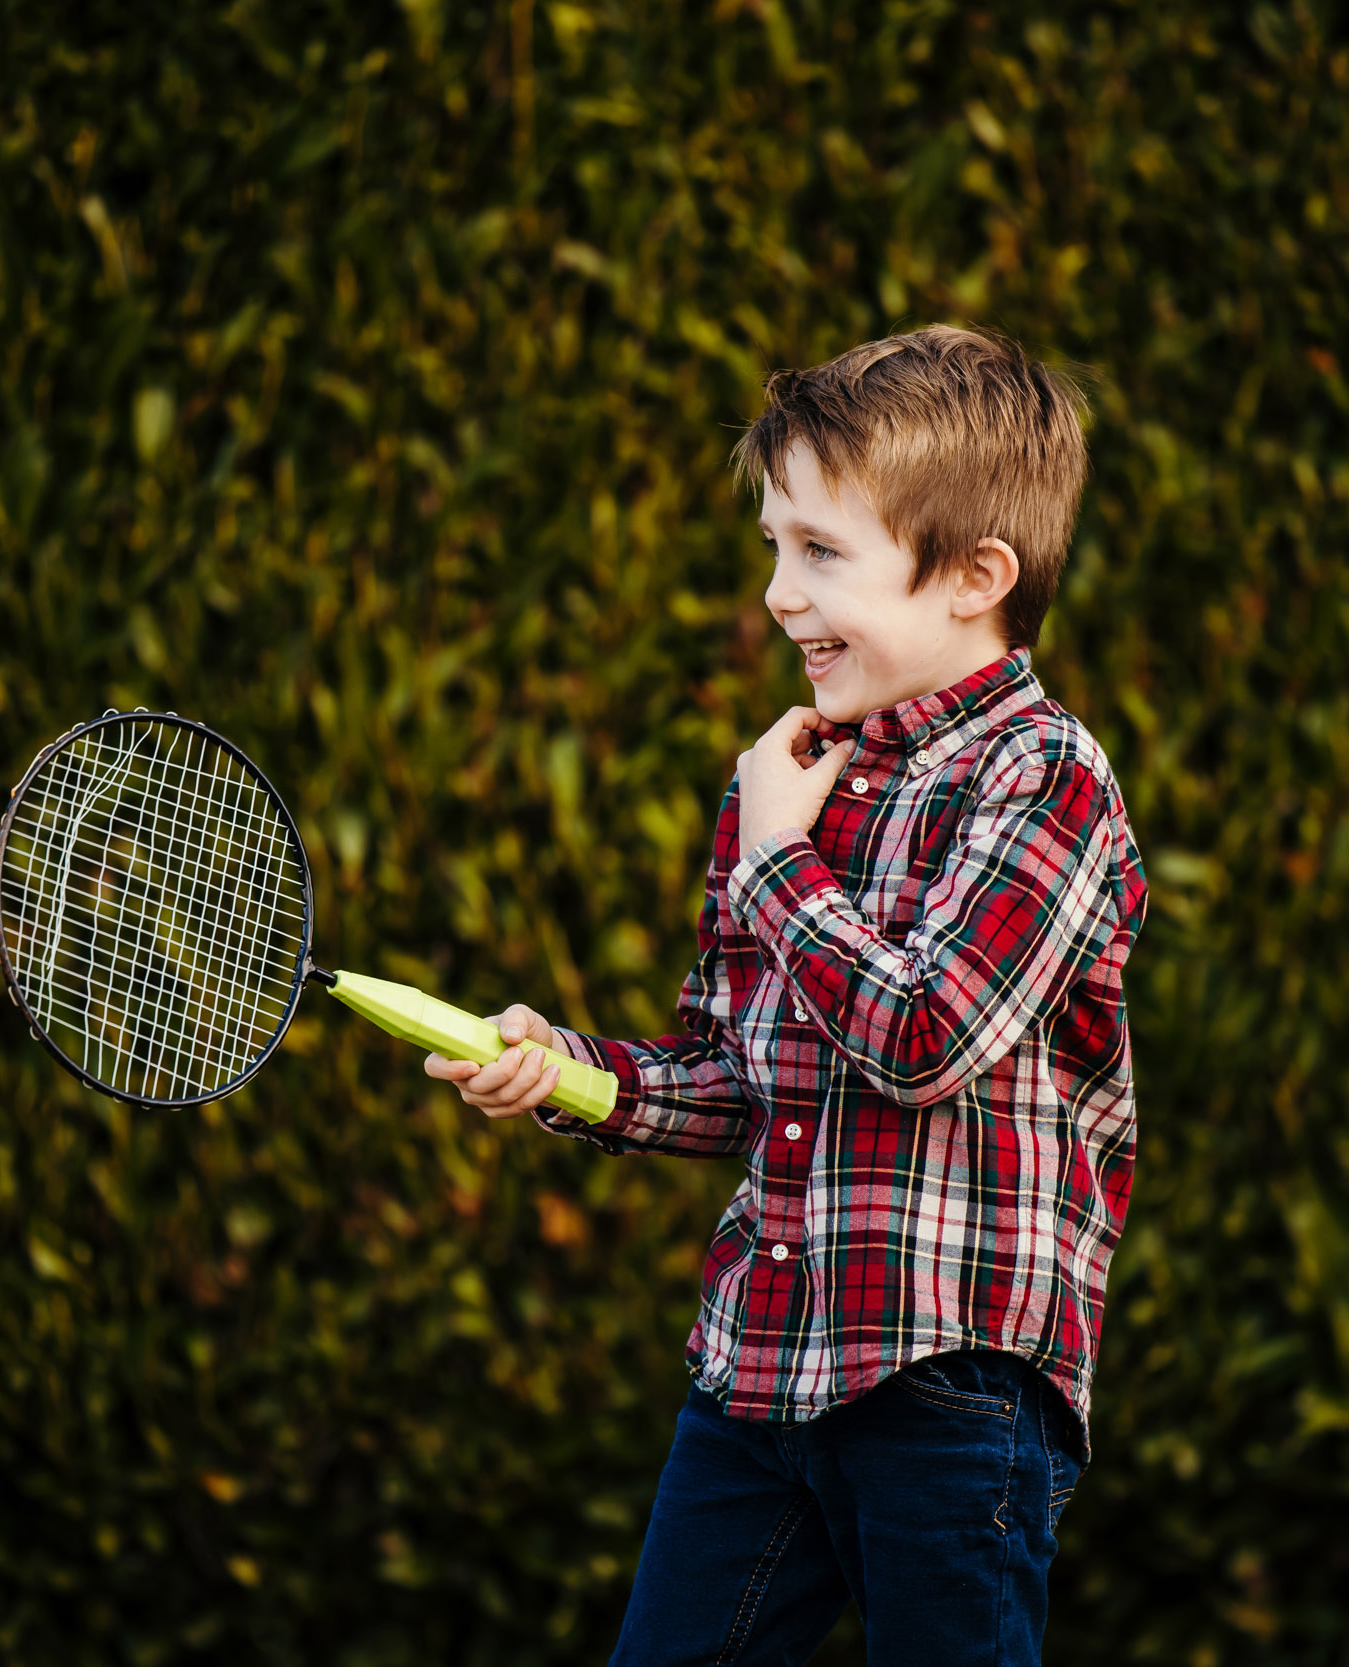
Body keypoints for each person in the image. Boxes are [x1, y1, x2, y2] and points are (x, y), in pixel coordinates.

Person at [425, 325, 1149, 1666]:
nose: (774, 591)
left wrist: (776, 863)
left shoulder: (1046, 781)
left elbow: (926, 1039)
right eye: (774, 545)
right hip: (758, 1374)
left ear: (976, 578)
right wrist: (565, 1071)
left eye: (820, 552)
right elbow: (732, 1075)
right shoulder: (791, 782)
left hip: (951, 1386)